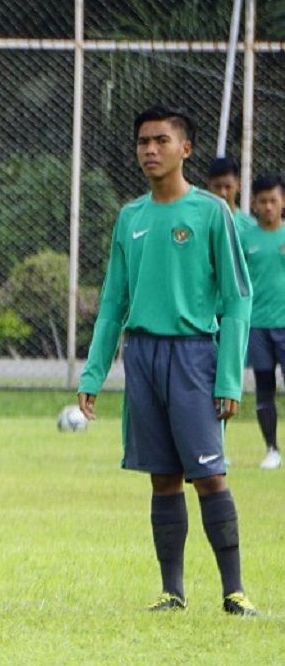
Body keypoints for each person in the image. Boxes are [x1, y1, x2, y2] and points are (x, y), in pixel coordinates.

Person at [78, 106, 256, 616]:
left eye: (160, 140)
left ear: (186, 148)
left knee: (209, 474)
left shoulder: (211, 213)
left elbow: (237, 299)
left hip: (195, 356)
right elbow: (113, 302)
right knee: (162, 475)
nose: (149, 150)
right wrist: (93, 372)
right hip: (144, 355)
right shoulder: (130, 217)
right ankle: (171, 592)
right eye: (142, 142)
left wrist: (228, 377)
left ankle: (234, 592)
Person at [241, 173, 285, 468]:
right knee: (264, 386)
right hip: (257, 324)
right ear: (254, 204)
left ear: (282, 202)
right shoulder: (245, 238)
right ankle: (271, 449)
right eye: (262, 201)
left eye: (273, 200)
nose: (268, 207)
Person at [208, 156, 258, 230]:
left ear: (238, 185)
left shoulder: (250, 227)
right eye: (217, 187)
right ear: (209, 186)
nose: (223, 193)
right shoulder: (200, 222)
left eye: (228, 187)